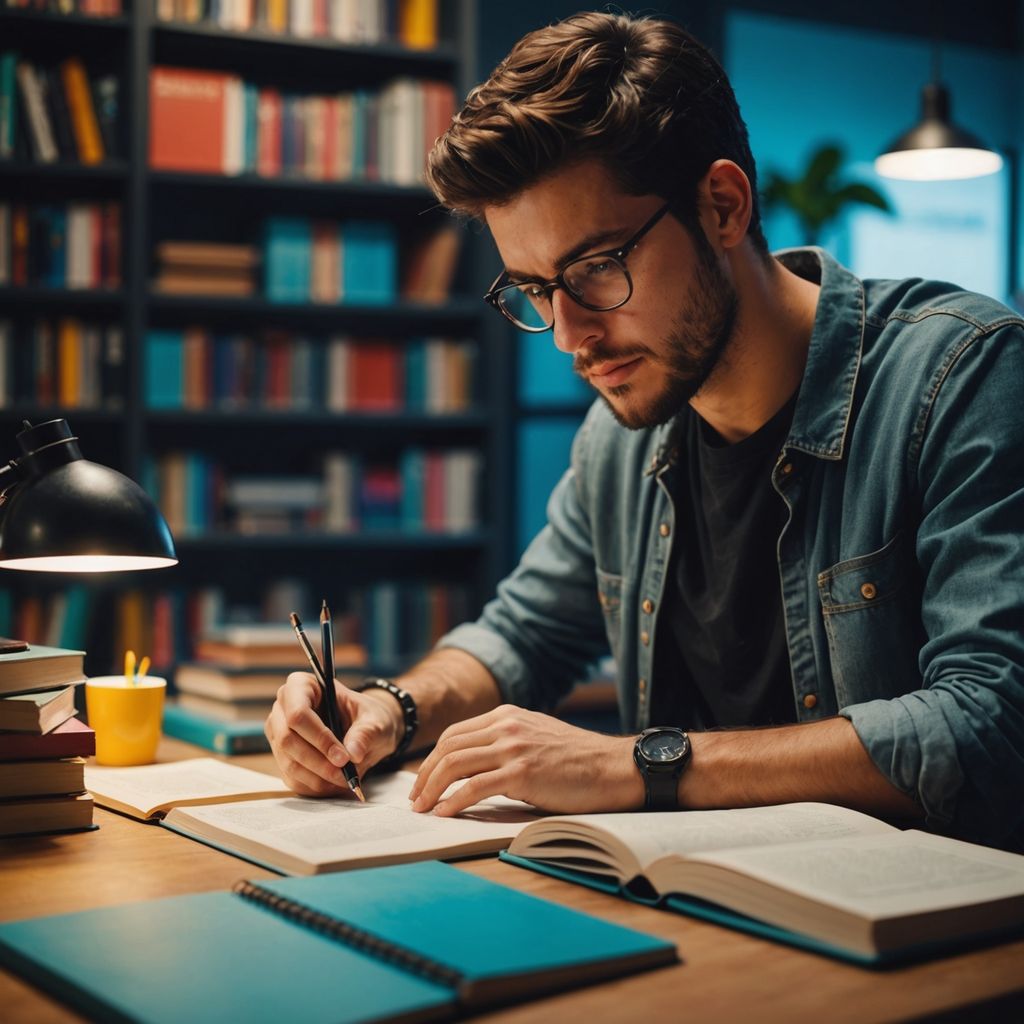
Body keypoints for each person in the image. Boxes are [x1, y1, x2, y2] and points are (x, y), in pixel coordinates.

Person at [266, 11, 1024, 849]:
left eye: (595, 268)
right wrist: (390, 708)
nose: (568, 335)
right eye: (533, 288)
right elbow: (523, 634)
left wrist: (639, 765)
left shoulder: (963, 377)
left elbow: (993, 723)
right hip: (691, 908)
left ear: (723, 205)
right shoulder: (619, 439)